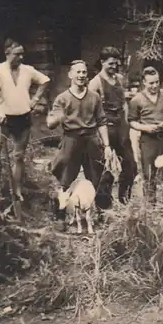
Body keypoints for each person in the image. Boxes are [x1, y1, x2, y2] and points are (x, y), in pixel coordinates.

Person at [47, 60, 111, 223]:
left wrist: (107, 145)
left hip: (91, 139)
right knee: (65, 178)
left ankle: (102, 214)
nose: (82, 75)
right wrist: (56, 119)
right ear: (70, 75)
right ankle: (61, 216)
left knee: (98, 176)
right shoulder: (62, 98)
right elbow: (51, 123)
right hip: (71, 139)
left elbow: (102, 121)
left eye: (84, 72)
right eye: (78, 72)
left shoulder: (94, 97)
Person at [0, 38, 50, 202]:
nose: (21, 57)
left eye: (22, 54)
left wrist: (35, 99)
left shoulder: (28, 70)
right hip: (4, 119)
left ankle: (16, 190)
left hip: (23, 118)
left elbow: (45, 81)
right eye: (17, 54)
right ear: (7, 53)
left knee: (18, 156)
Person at [88, 46, 137, 204]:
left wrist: (127, 123)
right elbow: (91, 111)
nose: (114, 66)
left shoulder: (120, 79)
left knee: (130, 164)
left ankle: (124, 201)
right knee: (104, 168)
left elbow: (124, 102)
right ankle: (103, 206)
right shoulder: (95, 84)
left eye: (116, 63)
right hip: (104, 127)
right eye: (110, 63)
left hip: (120, 126)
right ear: (102, 62)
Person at [128, 66, 163, 206]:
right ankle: (150, 206)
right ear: (144, 82)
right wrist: (146, 128)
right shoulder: (136, 100)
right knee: (149, 173)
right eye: (151, 83)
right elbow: (132, 121)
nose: (154, 85)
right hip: (148, 140)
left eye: (157, 82)